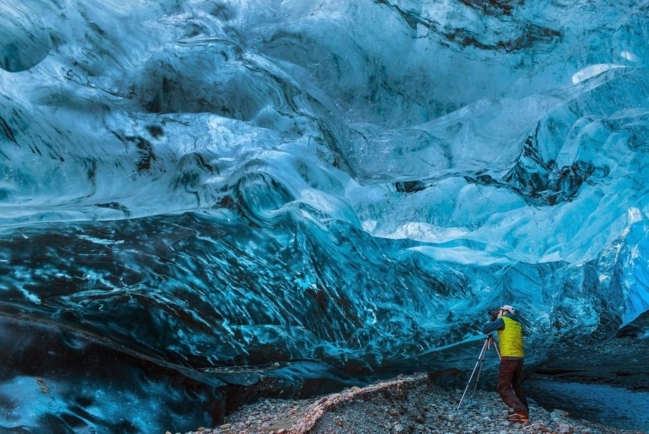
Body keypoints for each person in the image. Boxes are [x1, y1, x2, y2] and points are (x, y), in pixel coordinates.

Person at [481, 304, 529, 423]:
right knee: (516, 384)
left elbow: (485, 329)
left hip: (509, 358)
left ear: (504, 311)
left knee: (503, 387)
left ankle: (522, 413)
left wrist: (491, 320)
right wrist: (496, 319)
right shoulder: (517, 323)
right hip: (519, 358)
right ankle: (524, 409)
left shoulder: (503, 320)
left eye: (499, 311)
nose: (498, 312)